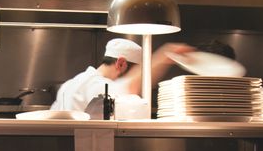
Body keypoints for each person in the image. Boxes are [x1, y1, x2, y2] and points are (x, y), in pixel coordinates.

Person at [51, 38, 195, 111]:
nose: (137, 76)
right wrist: (164, 55)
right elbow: (129, 86)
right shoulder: (98, 86)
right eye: (136, 71)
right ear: (120, 63)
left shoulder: (70, 84)